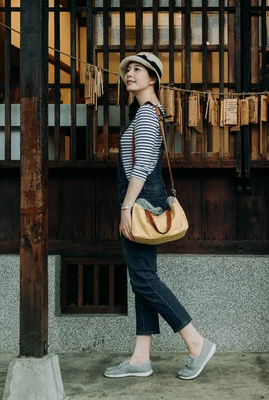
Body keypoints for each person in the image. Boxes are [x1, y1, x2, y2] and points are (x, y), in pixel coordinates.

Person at [104, 52, 216, 380]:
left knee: (143, 278)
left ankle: (196, 342)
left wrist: (126, 207)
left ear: (152, 78)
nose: (130, 74)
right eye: (128, 70)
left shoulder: (149, 116)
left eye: (137, 69)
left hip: (140, 200)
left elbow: (141, 167)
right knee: (142, 278)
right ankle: (140, 358)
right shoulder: (143, 114)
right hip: (142, 198)